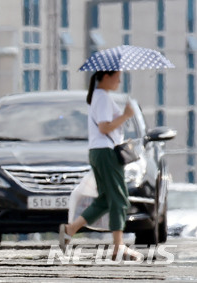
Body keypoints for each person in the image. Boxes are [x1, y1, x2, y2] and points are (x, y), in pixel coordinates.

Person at [58, 71, 141, 260]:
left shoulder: (99, 96)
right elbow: (104, 127)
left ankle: (70, 230)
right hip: (106, 152)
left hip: (99, 151)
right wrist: (127, 115)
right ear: (105, 77)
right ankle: (118, 247)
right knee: (119, 199)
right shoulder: (102, 97)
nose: (119, 80)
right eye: (117, 76)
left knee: (105, 199)